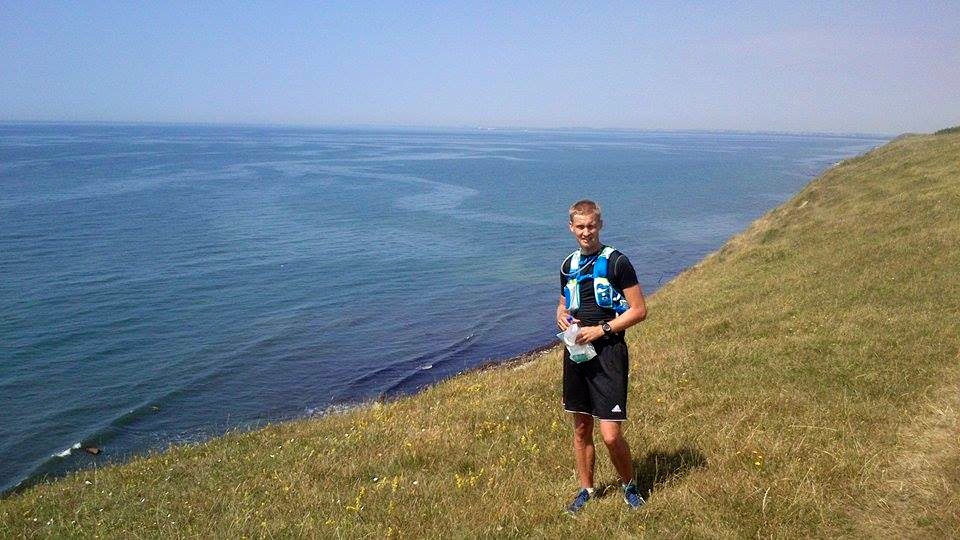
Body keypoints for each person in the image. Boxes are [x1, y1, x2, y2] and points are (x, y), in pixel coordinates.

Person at [556, 199, 648, 513]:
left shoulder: (617, 262)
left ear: (600, 225)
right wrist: (560, 314)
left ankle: (630, 486)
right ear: (571, 228)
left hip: (609, 353)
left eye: (591, 226)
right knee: (581, 428)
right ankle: (586, 490)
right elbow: (563, 303)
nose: (586, 232)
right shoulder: (568, 265)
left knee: (610, 435)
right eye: (580, 227)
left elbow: (639, 310)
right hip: (576, 354)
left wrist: (601, 330)